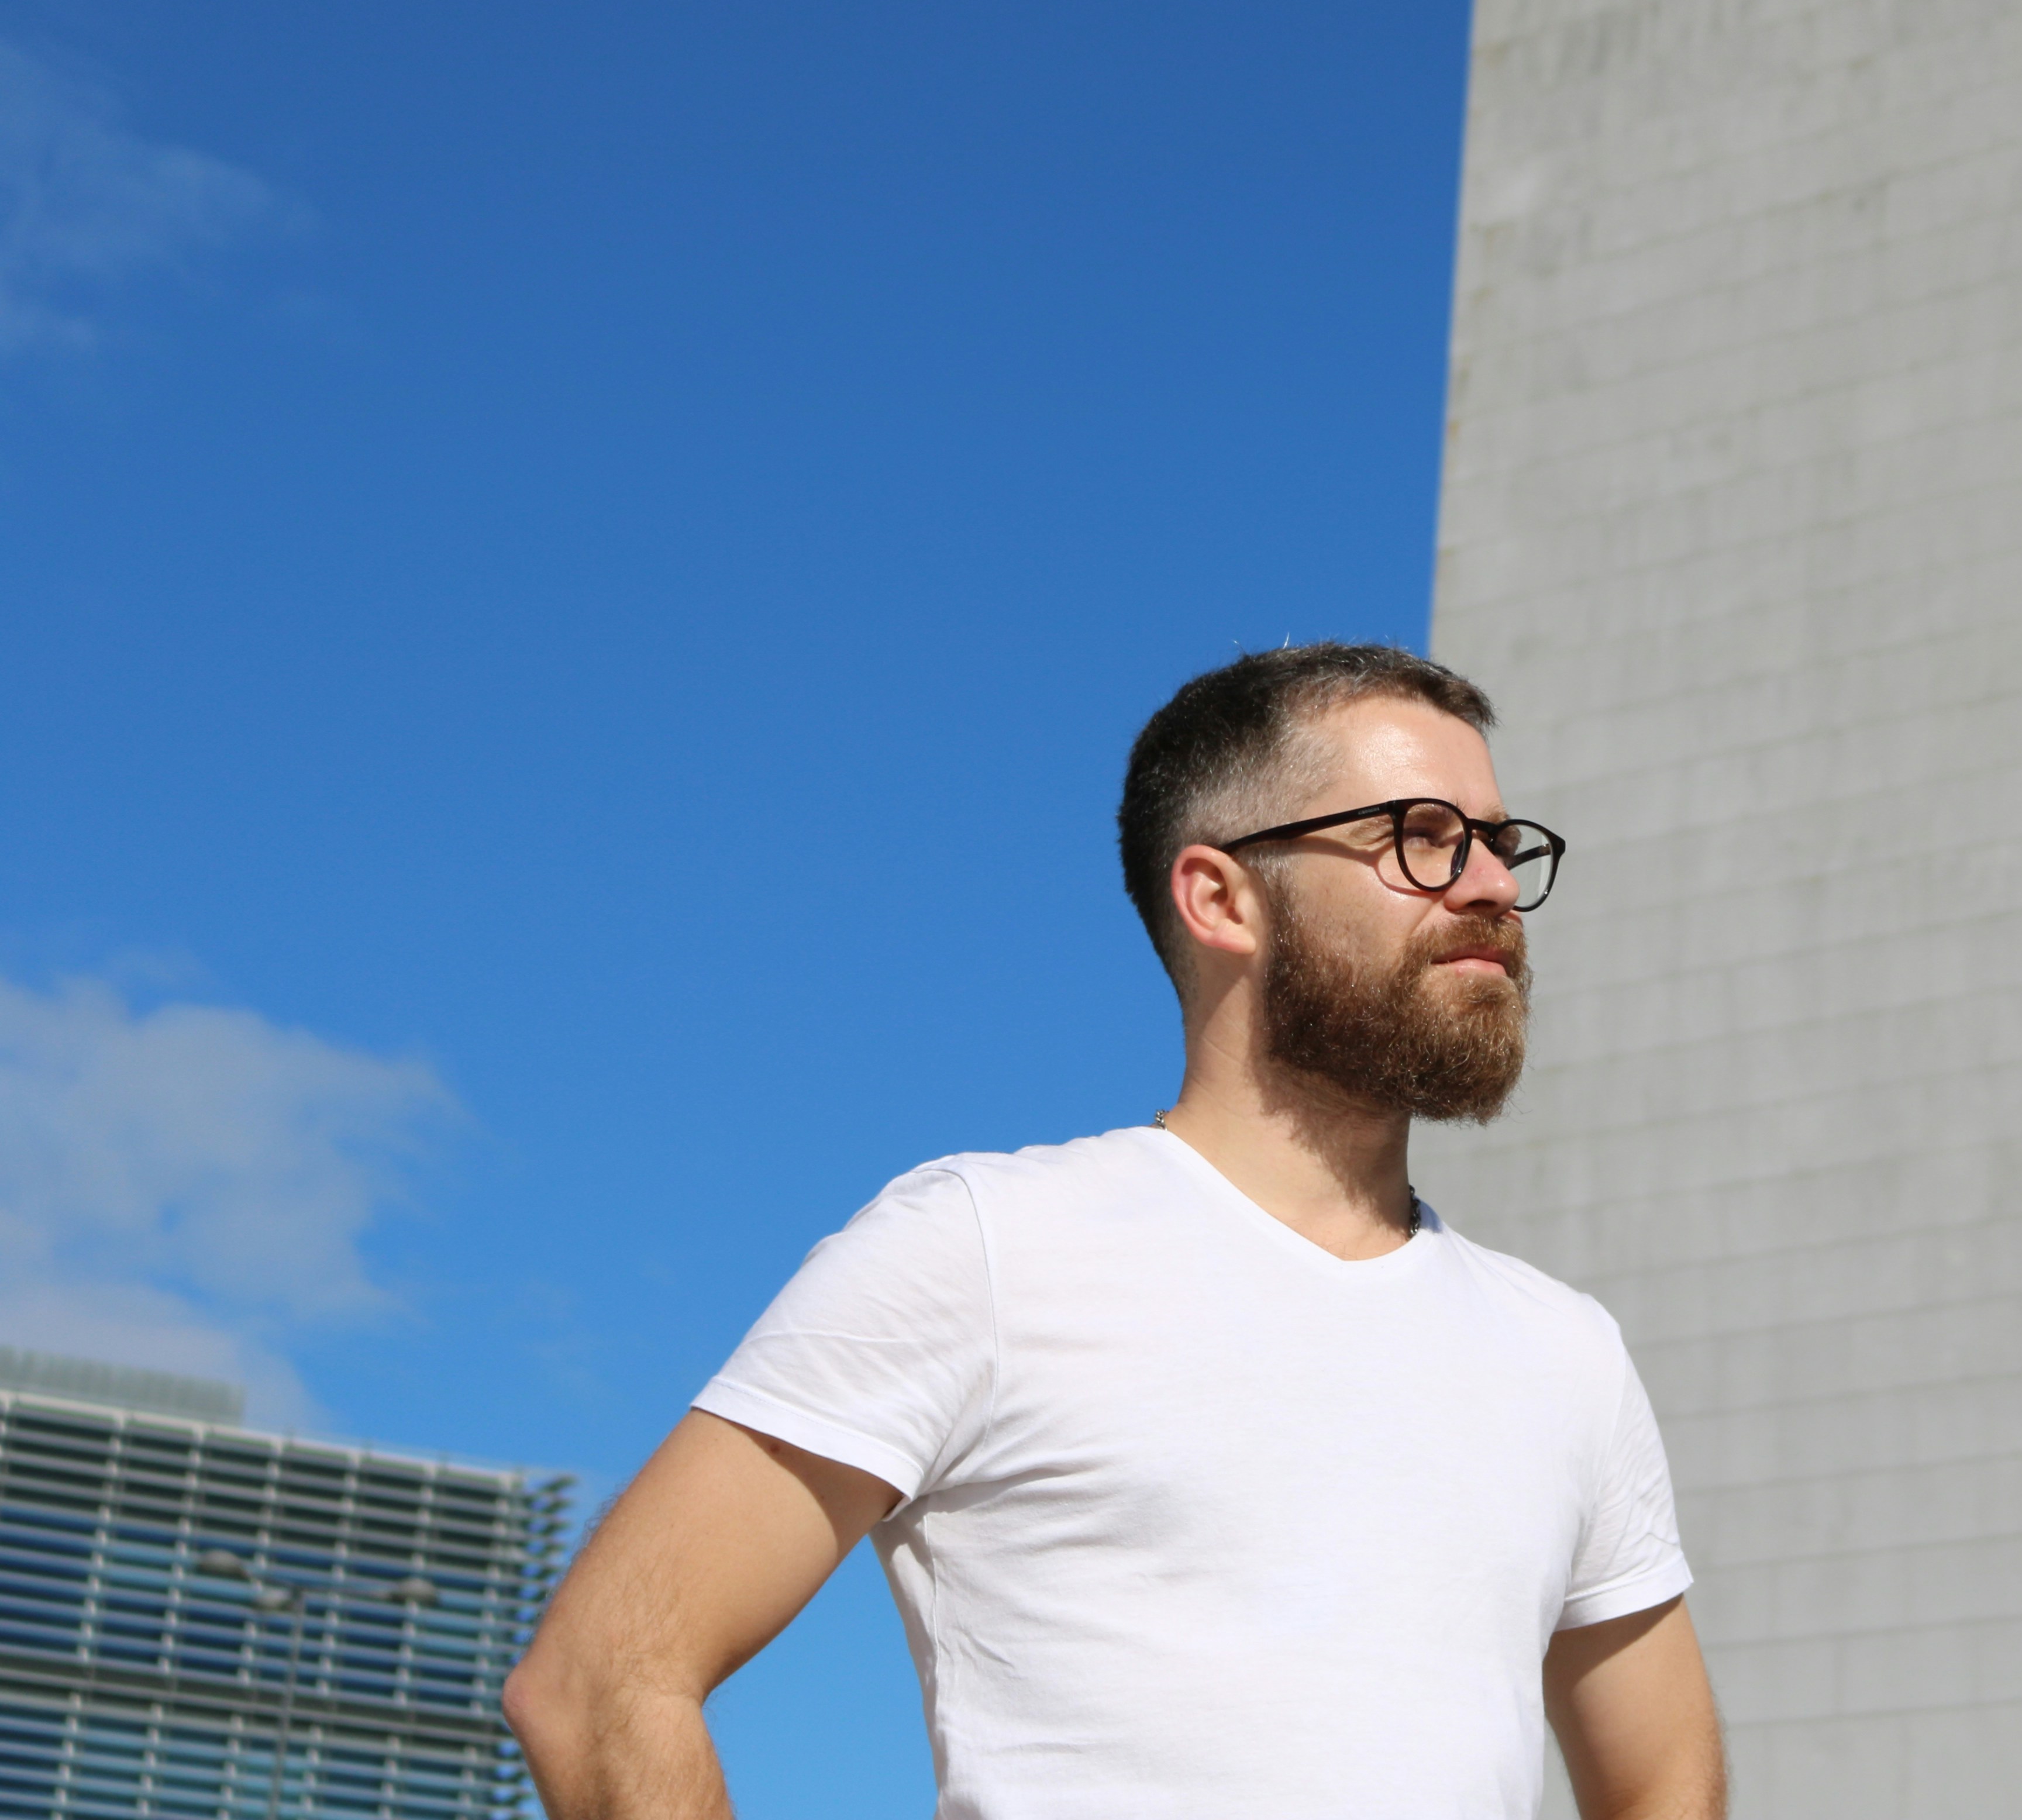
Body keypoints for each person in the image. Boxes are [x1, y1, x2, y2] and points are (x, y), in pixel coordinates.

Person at [504, 643, 1724, 1818]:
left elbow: (1664, 1778)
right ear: (1221, 895)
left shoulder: (1565, 1351)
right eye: (1421, 838)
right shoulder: (984, 1246)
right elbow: (602, 1674)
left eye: (1502, 844)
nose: (1494, 886)